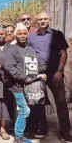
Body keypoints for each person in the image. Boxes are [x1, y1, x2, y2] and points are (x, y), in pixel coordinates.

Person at [27, 12, 72, 142]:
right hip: (37, 74)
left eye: (45, 19)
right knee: (39, 102)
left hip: (54, 73)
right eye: (40, 19)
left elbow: (63, 54)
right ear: (36, 21)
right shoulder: (31, 37)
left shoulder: (57, 34)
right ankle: (42, 128)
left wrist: (59, 71)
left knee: (61, 102)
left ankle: (65, 132)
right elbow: (28, 55)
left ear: (49, 19)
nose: (42, 21)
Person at [5, 24, 47, 143]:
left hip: (31, 87)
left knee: (28, 109)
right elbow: (9, 67)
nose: (22, 36)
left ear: (27, 34)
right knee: (24, 110)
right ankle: (18, 138)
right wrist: (24, 78)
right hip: (18, 86)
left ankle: (22, 133)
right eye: (20, 34)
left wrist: (42, 73)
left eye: (24, 33)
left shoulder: (31, 49)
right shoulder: (11, 50)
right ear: (15, 35)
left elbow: (36, 65)